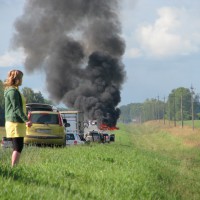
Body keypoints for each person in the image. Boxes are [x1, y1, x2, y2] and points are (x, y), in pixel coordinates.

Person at [4, 69, 30, 167]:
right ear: (18, 79)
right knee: (18, 147)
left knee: (18, 147)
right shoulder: (12, 92)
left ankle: (15, 167)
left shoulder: (15, 90)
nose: (22, 80)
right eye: (21, 78)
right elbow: (16, 108)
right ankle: (14, 168)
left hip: (18, 122)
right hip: (15, 123)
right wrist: (26, 120)